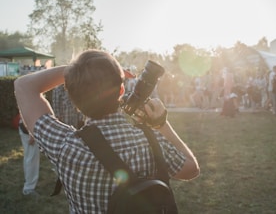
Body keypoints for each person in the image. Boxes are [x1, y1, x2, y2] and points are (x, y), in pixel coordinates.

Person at [14, 49, 200, 213]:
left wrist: (77, 71)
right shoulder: (150, 141)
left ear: (71, 95)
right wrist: (161, 124)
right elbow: (191, 169)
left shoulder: (65, 146)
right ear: (121, 90)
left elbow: (23, 86)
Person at [18, 117, 40, 197]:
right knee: (31, 158)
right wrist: (31, 134)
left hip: (28, 127)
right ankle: (28, 188)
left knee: (29, 157)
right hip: (29, 128)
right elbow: (27, 113)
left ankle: (29, 184)